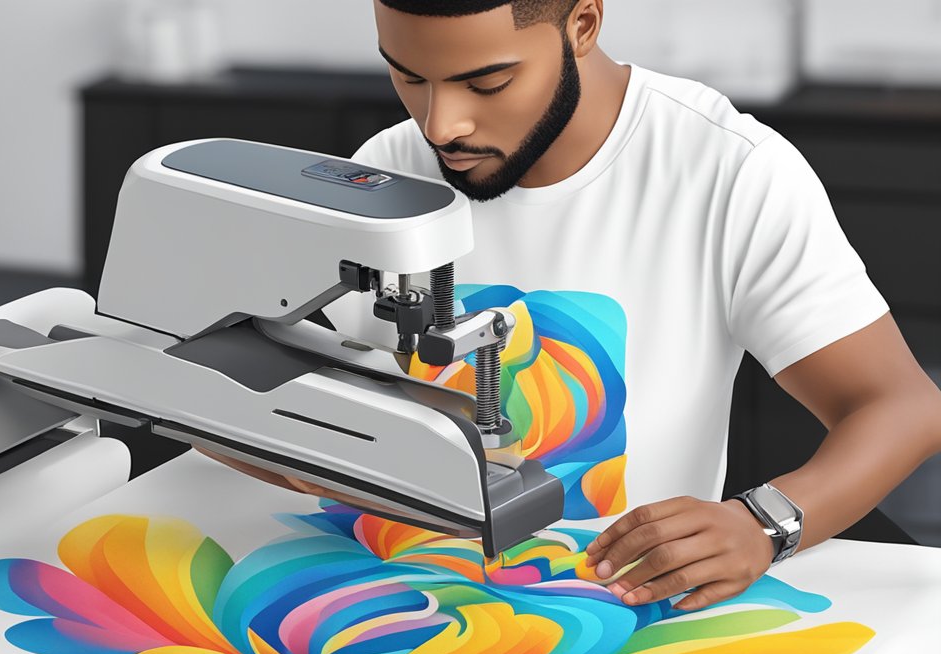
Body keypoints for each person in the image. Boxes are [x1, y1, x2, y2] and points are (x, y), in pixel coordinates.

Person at [208, 0, 941, 612]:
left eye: (486, 82)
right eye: (408, 77)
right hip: (400, 592)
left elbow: (902, 406)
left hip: (615, 605)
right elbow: (256, 385)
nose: (441, 126)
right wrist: (264, 436)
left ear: (583, 24)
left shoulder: (728, 171)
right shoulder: (384, 169)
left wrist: (764, 523)